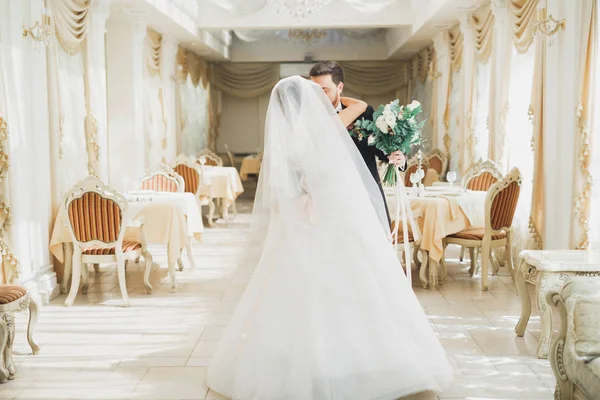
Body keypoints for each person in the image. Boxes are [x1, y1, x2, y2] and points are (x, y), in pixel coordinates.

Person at [207, 76, 453, 400]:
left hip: (303, 222)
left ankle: (301, 362)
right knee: (354, 293)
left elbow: (285, 193)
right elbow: (360, 114)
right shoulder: (323, 132)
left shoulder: (285, 140)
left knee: (296, 297)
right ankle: (355, 362)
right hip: (332, 220)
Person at [309, 61, 407, 224]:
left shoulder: (364, 113)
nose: (318, 95)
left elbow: (380, 147)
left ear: (340, 87)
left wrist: (399, 157)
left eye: (324, 90)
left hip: (366, 195)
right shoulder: (307, 118)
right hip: (327, 201)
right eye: (314, 90)